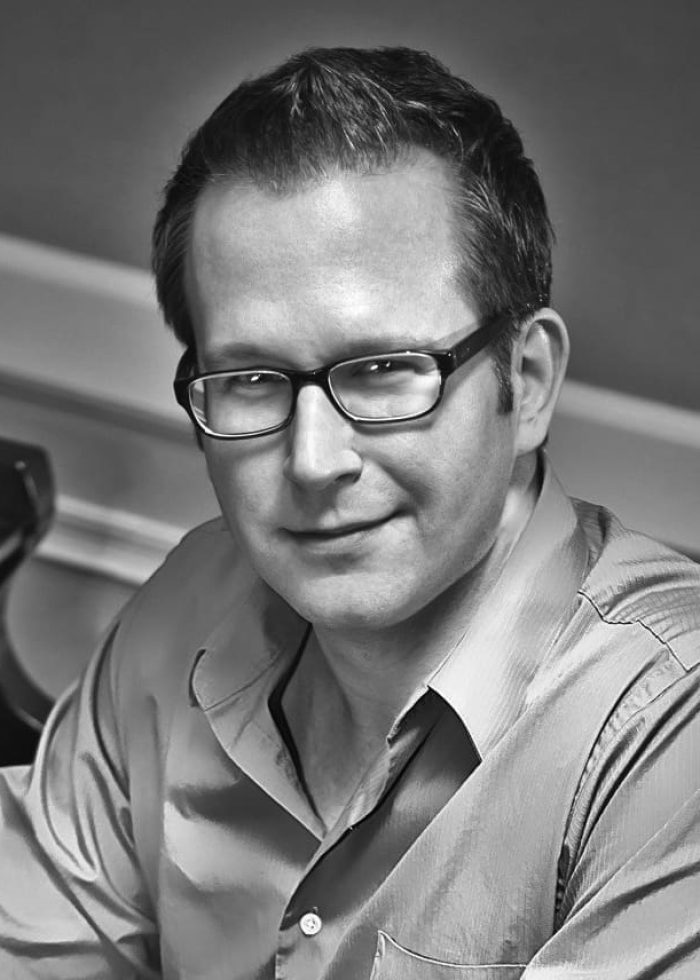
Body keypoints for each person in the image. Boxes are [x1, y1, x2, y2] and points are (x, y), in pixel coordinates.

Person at [0, 45, 698, 979]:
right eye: (251, 381)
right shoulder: (186, 605)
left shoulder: (667, 733)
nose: (314, 461)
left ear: (525, 383)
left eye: (381, 370)